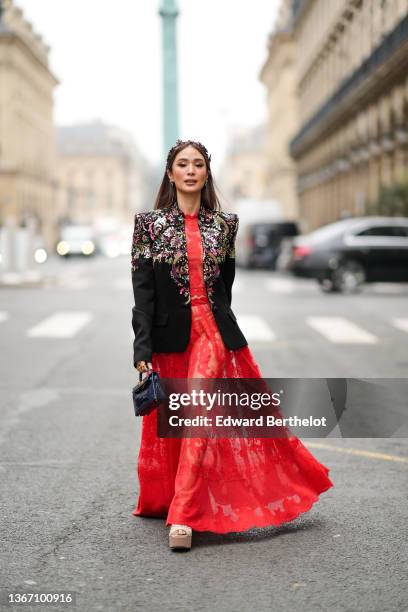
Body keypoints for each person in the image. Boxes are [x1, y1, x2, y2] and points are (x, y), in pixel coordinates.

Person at [131, 139, 333, 551]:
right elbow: (142, 294)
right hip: (170, 338)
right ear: (170, 174)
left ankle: (184, 516)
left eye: (198, 164)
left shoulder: (225, 225)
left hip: (214, 335)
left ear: (206, 174)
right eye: (182, 164)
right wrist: (143, 351)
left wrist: (220, 326)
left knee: (201, 417)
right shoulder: (148, 224)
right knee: (178, 424)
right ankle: (171, 497)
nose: (190, 170)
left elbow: (225, 286)